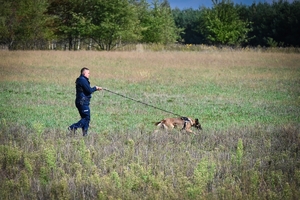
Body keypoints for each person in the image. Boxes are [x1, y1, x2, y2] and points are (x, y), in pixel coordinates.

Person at [68, 67, 102, 136]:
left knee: (85, 119)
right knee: (86, 118)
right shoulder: (82, 80)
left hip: (82, 102)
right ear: (84, 73)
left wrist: (96, 88)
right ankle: (73, 127)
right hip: (82, 102)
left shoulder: (81, 80)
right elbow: (89, 90)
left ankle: (85, 134)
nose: (89, 74)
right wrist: (95, 88)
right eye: (88, 73)